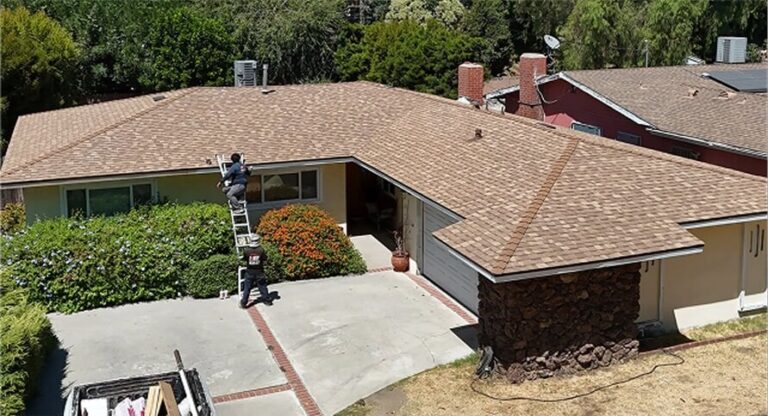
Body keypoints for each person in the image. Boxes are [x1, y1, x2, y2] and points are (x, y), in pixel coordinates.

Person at [240, 234, 272, 308]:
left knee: (247, 288)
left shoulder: (246, 250)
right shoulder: (261, 250)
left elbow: (244, 259)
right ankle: (267, 300)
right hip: (259, 271)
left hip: (249, 272)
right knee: (262, 287)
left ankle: (243, 303)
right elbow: (265, 258)